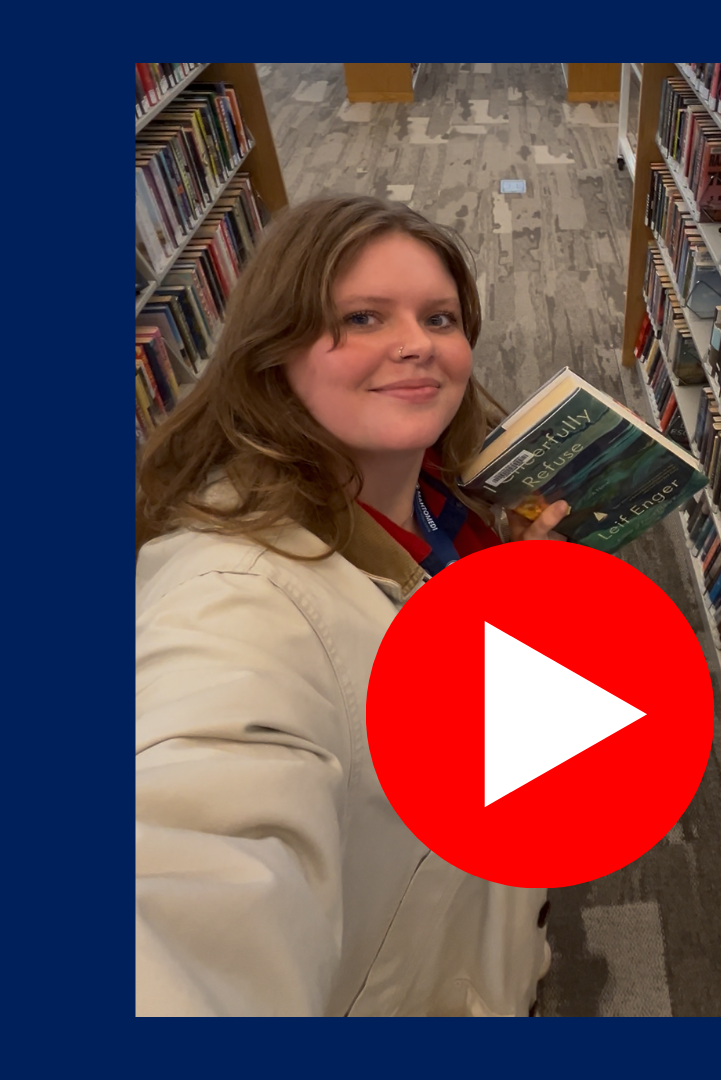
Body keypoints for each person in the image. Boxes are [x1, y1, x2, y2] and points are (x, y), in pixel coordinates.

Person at [135, 195, 568, 1016]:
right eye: (363, 318)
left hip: (491, 937)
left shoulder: (455, 499)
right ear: (275, 351)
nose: (416, 345)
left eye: (440, 317)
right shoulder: (231, 600)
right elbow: (195, 851)